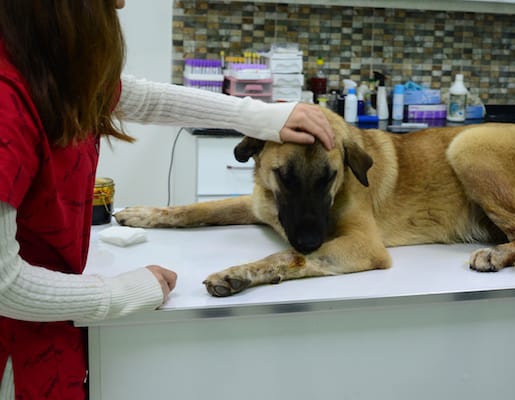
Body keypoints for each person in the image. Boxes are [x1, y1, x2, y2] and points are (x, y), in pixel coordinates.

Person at [0, 0, 334, 399]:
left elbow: (142, 98)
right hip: (17, 337)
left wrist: (260, 116)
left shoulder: (45, 66)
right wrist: (121, 293)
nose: (122, 3)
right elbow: (5, 284)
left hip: (55, 316)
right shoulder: (6, 102)